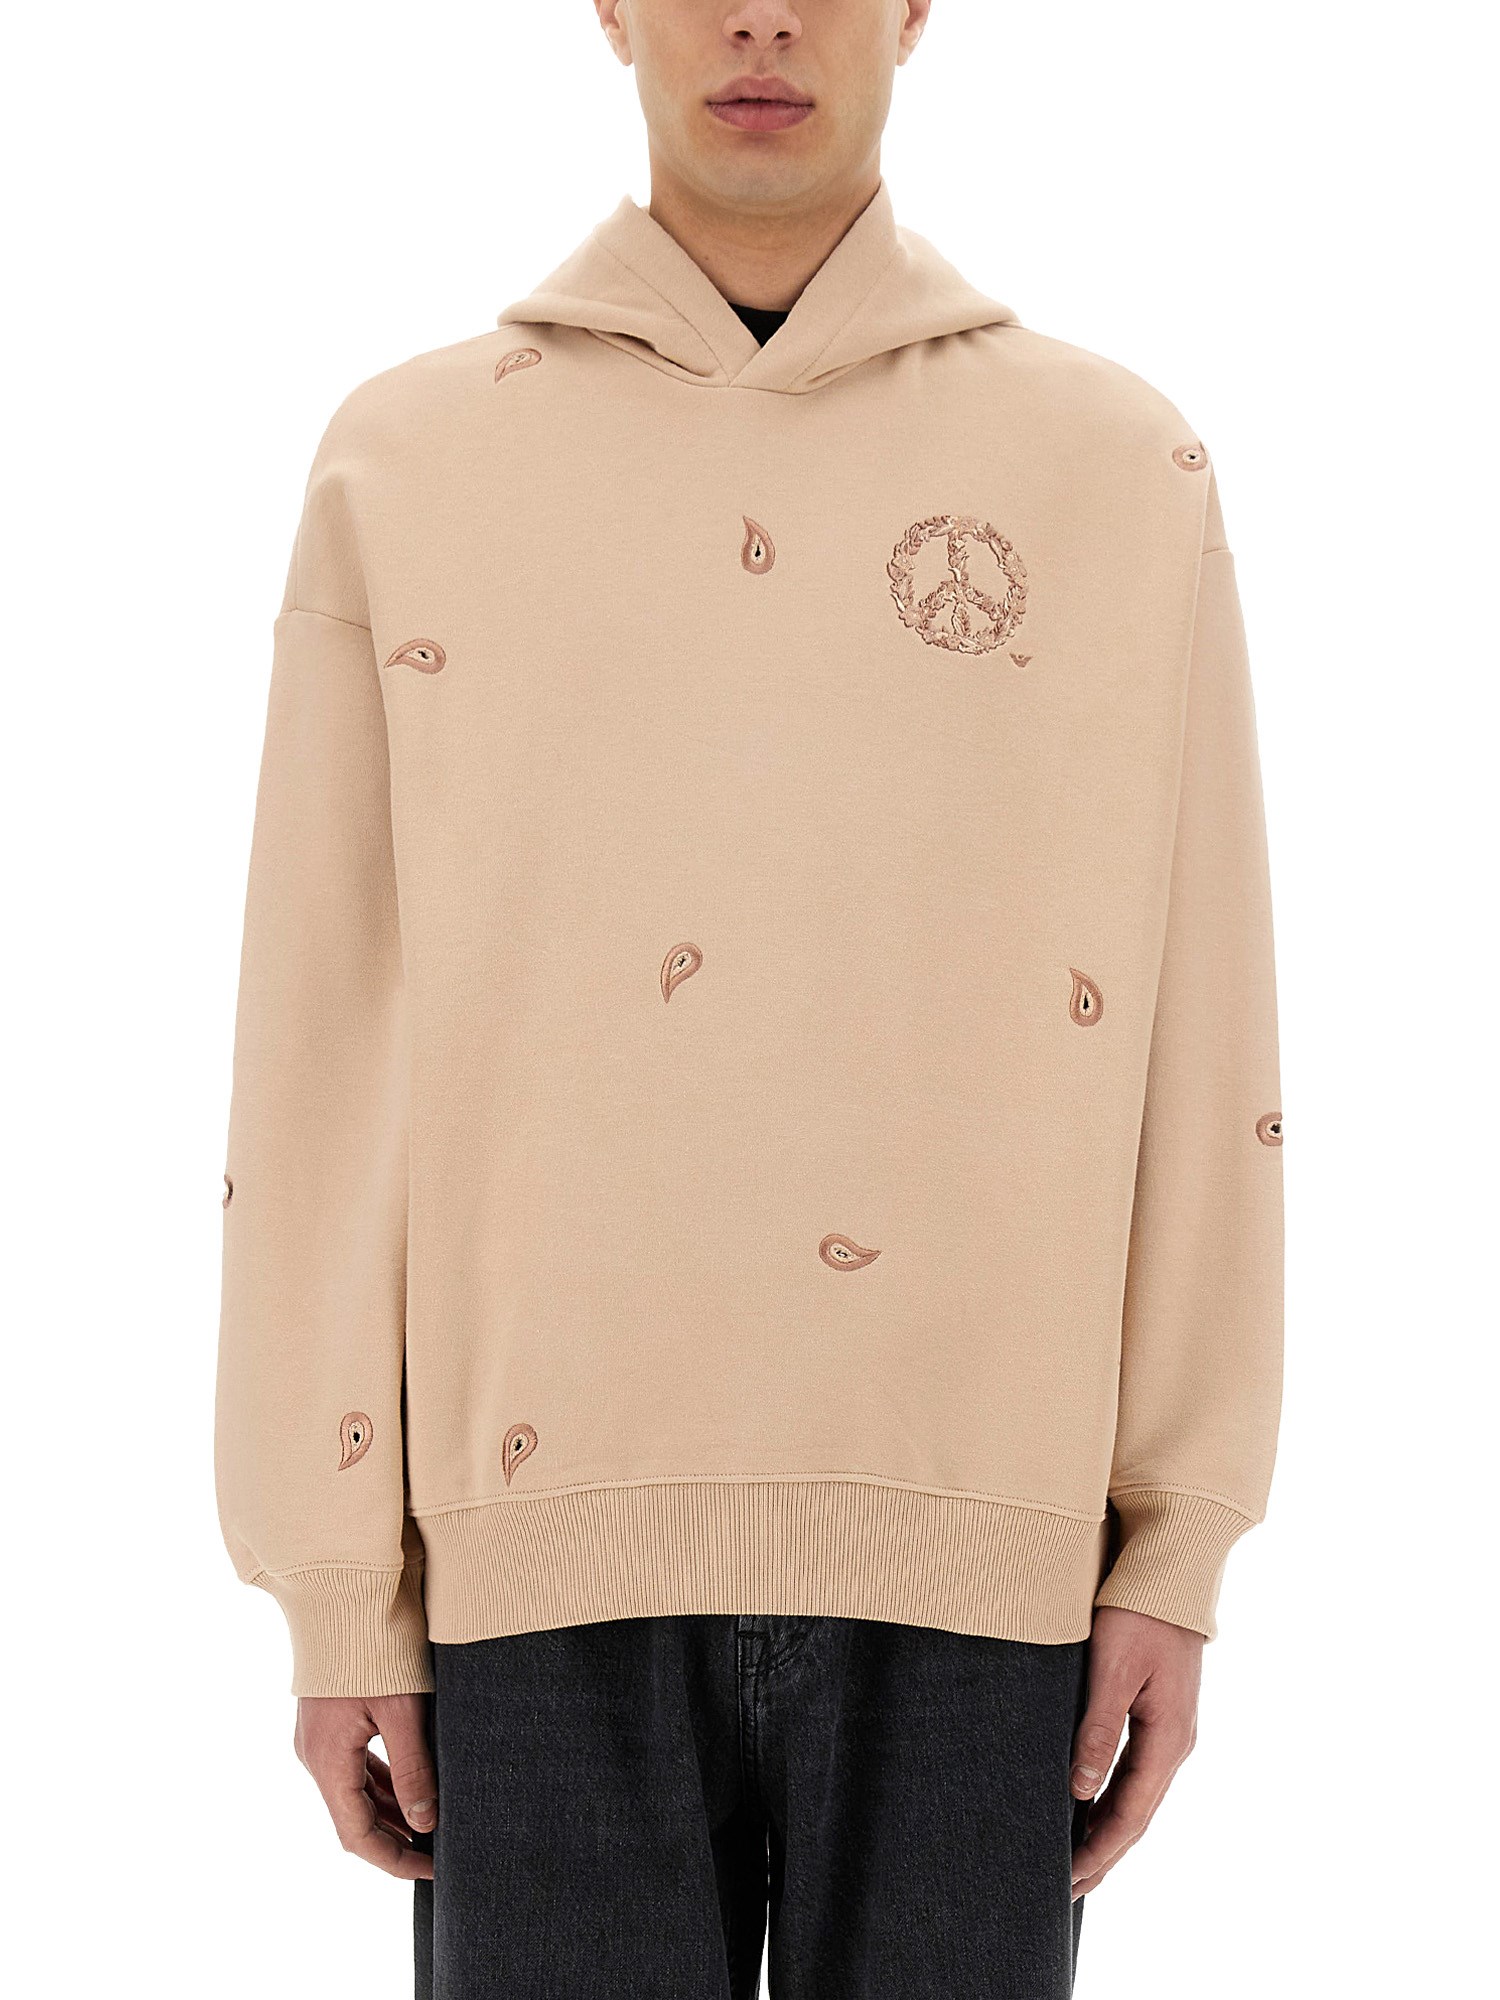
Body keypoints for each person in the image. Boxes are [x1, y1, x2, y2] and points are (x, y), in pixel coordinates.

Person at [215, 2, 1285, 1993]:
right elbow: (324, 1043)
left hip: (989, 1547)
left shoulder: (1113, 463)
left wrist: (1179, 1534)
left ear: (917, 7)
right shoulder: (413, 461)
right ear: (610, 7)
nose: (764, 17)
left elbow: (1203, 1015)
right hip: (532, 1553)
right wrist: (336, 1577)